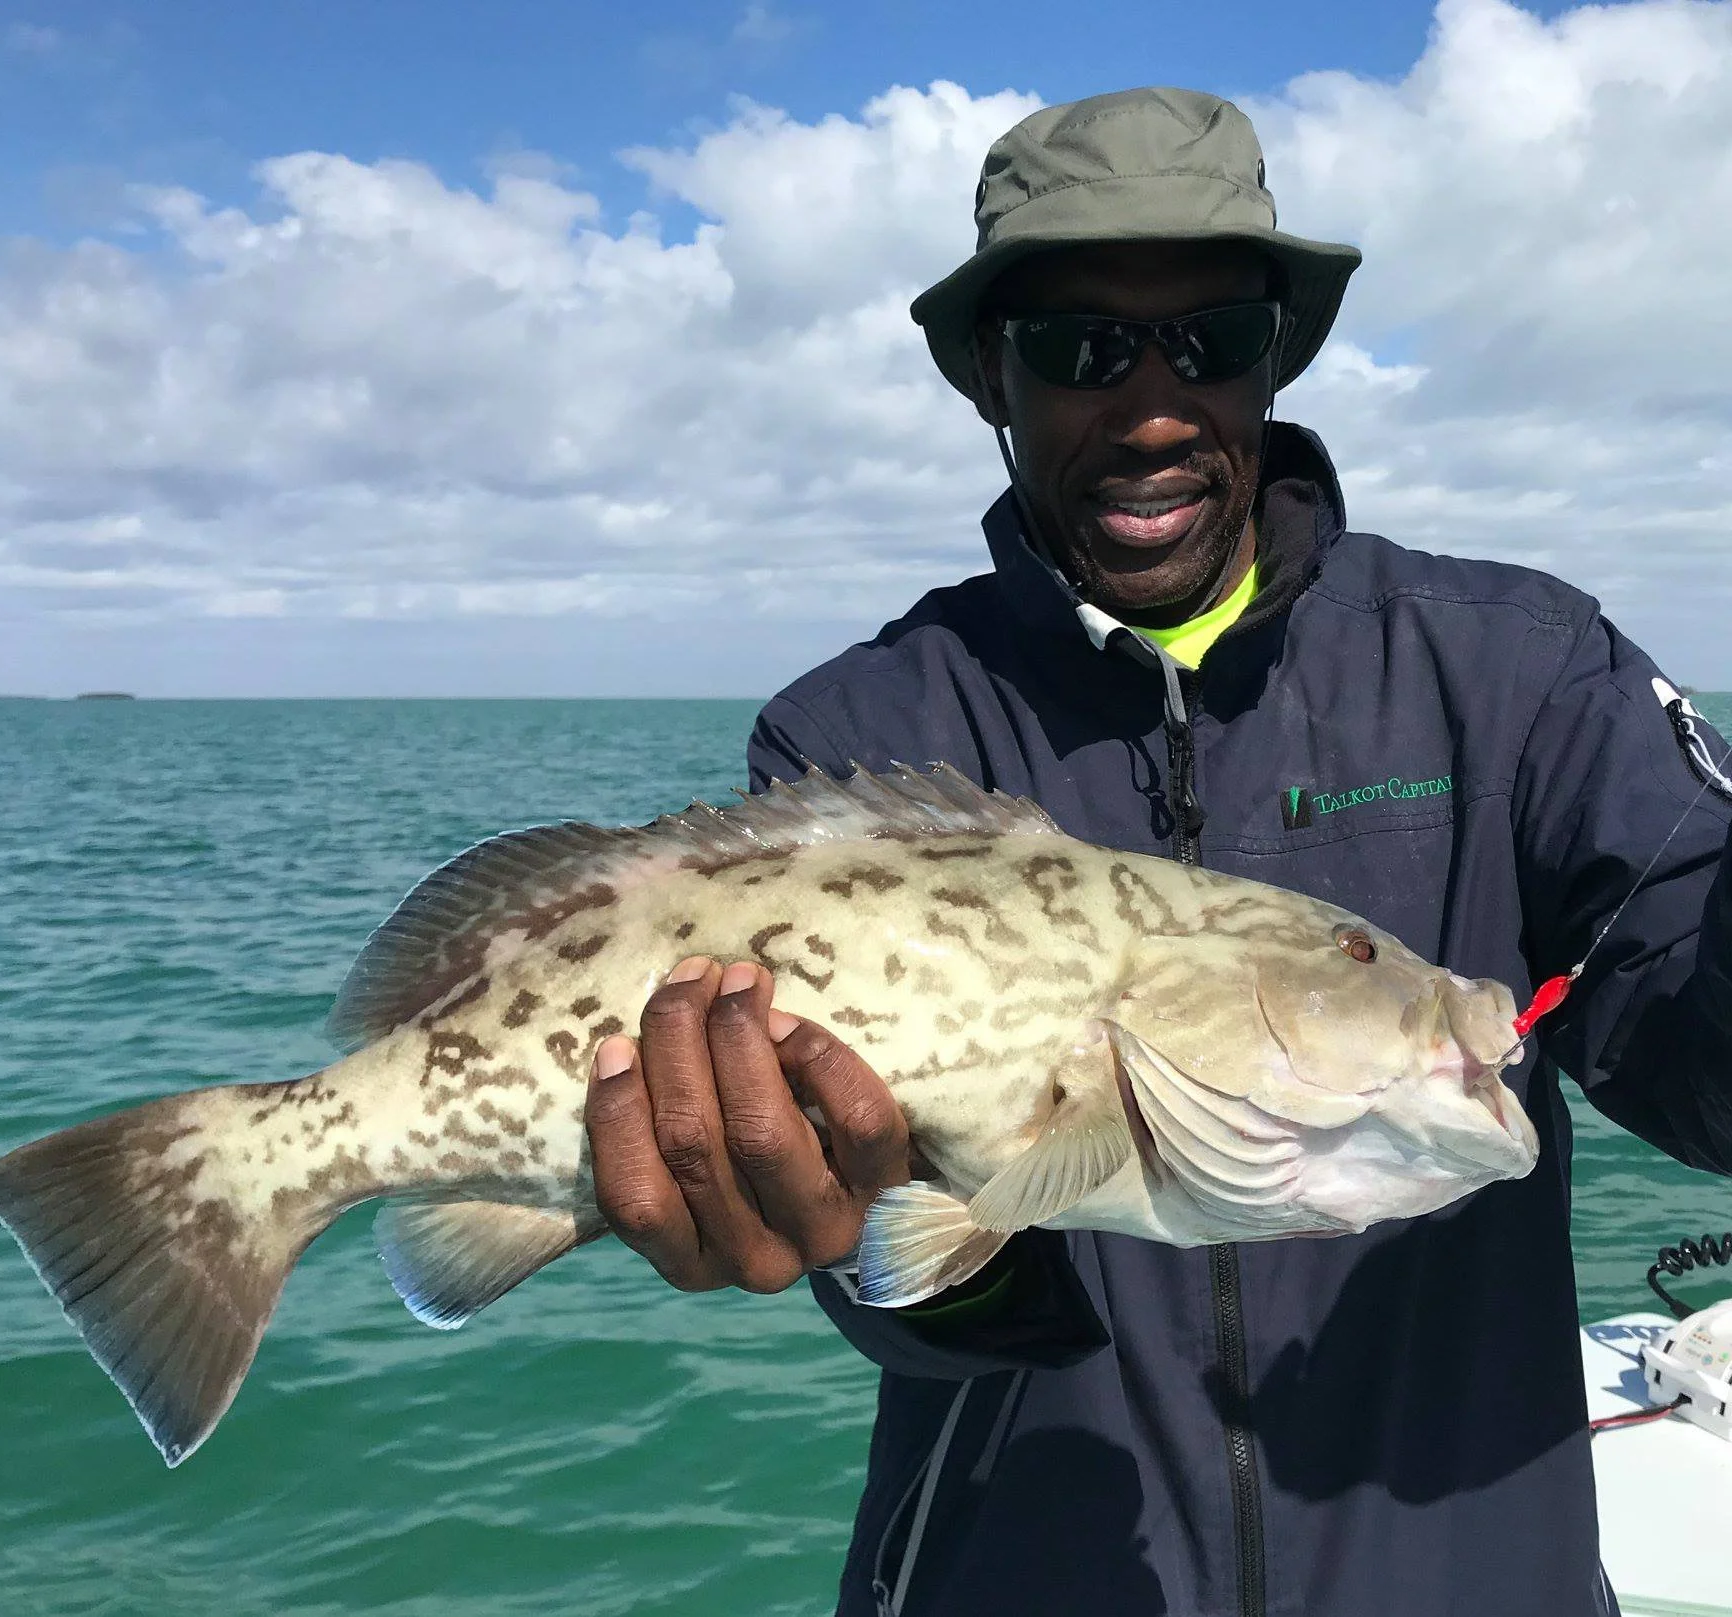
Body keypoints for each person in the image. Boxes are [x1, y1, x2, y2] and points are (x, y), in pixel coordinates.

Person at [582, 88, 1732, 1616]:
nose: (1150, 407)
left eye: (1212, 341)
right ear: (992, 372)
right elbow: (913, 1281)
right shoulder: (855, 731)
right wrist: (879, 1230)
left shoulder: (1517, 671)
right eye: (1074, 348)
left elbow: (1694, 1040)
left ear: (1276, 359)